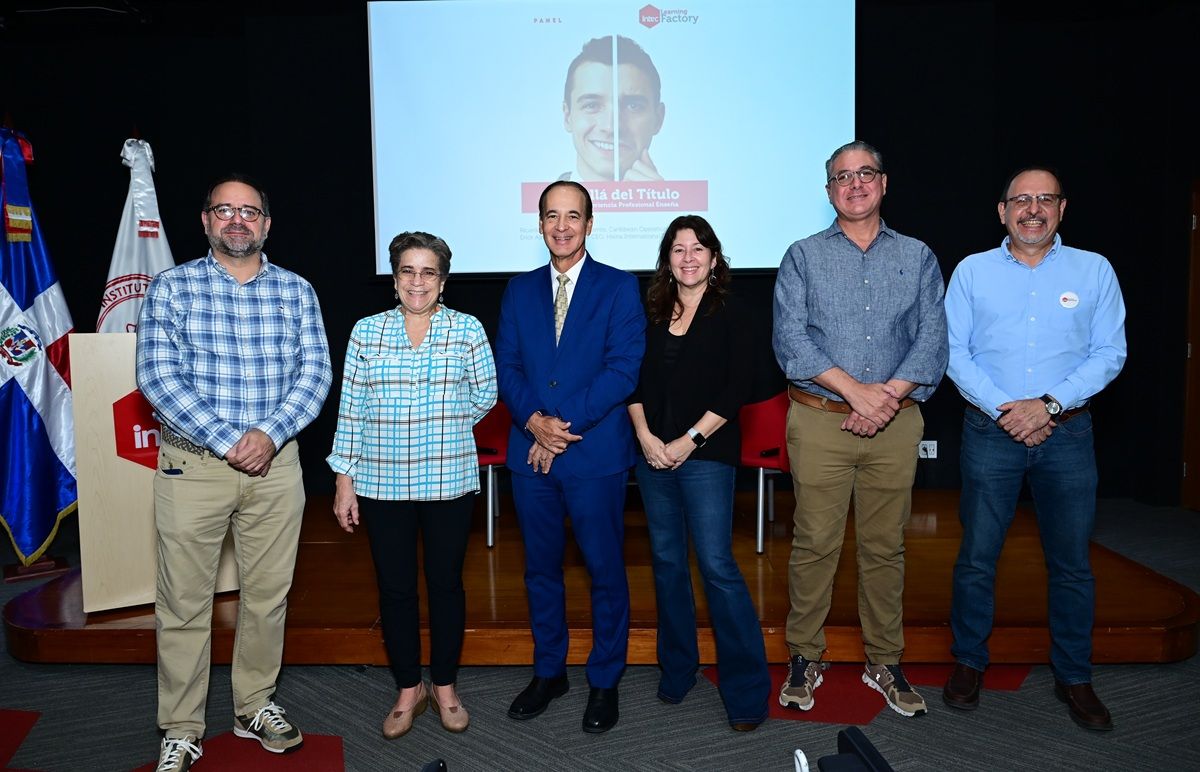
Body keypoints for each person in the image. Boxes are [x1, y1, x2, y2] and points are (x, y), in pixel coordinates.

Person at [136, 173, 332, 771]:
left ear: (266, 224)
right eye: (225, 210)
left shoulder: (297, 290)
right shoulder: (171, 287)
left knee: (268, 598)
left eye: (249, 211)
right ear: (206, 221)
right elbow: (157, 378)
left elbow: (316, 373)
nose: (237, 220)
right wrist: (229, 441)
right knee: (183, 605)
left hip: (277, 467)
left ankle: (253, 706)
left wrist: (269, 435)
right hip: (193, 468)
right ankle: (181, 728)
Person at [941, 166, 1126, 731]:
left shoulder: (1094, 270)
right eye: (1021, 200)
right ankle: (969, 662)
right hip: (990, 431)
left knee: (1071, 564)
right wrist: (1010, 410)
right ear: (1002, 211)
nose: (1033, 209)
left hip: (1066, 434)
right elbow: (953, 352)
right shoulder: (972, 271)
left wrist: (1046, 406)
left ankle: (1074, 675)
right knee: (977, 557)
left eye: (1045, 199)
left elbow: (1109, 353)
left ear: (1062, 209)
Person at [772, 140, 947, 718]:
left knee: (885, 547)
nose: (855, 184)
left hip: (896, 423)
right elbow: (791, 341)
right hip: (821, 421)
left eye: (865, 173)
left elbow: (932, 339)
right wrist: (857, 393)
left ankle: (884, 661)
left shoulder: (918, 256)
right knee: (814, 544)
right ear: (828, 191)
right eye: (842, 177)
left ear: (884, 183)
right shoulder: (802, 256)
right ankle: (805, 655)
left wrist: (885, 398)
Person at [327, 232, 497, 739]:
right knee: (395, 588)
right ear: (395, 278)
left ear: (442, 281)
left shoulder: (467, 329)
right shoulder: (366, 332)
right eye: (407, 271)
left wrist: (444, 424)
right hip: (382, 483)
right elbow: (351, 409)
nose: (417, 281)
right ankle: (408, 687)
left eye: (428, 272)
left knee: (446, 586)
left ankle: (444, 685)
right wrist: (344, 479)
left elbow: (486, 394)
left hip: (448, 480)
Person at [495, 180, 645, 733]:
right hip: (529, 453)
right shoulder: (518, 290)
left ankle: (604, 679)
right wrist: (533, 421)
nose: (562, 226)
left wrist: (557, 427)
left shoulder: (619, 287)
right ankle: (549, 671)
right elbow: (507, 366)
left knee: (604, 570)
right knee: (540, 570)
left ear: (590, 223)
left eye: (573, 216)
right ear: (539, 224)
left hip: (593, 454)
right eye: (552, 216)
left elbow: (622, 370)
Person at [627, 215, 770, 731]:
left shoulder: (734, 312)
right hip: (652, 455)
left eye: (698, 248)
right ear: (667, 259)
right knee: (667, 563)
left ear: (713, 257)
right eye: (678, 249)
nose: (688, 257)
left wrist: (688, 441)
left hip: (705, 454)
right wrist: (646, 438)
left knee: (715, 565)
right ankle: (678, 668)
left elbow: (736, 388)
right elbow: (631, 381)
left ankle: (746, 690)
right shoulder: (650, 312)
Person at [558, 35, 665, 182]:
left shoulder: (691, 197)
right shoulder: (534, 197)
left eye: (633, 106)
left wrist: (659, 196)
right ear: (567, 116)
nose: (611, 128)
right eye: (592, 105)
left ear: (658, 120)